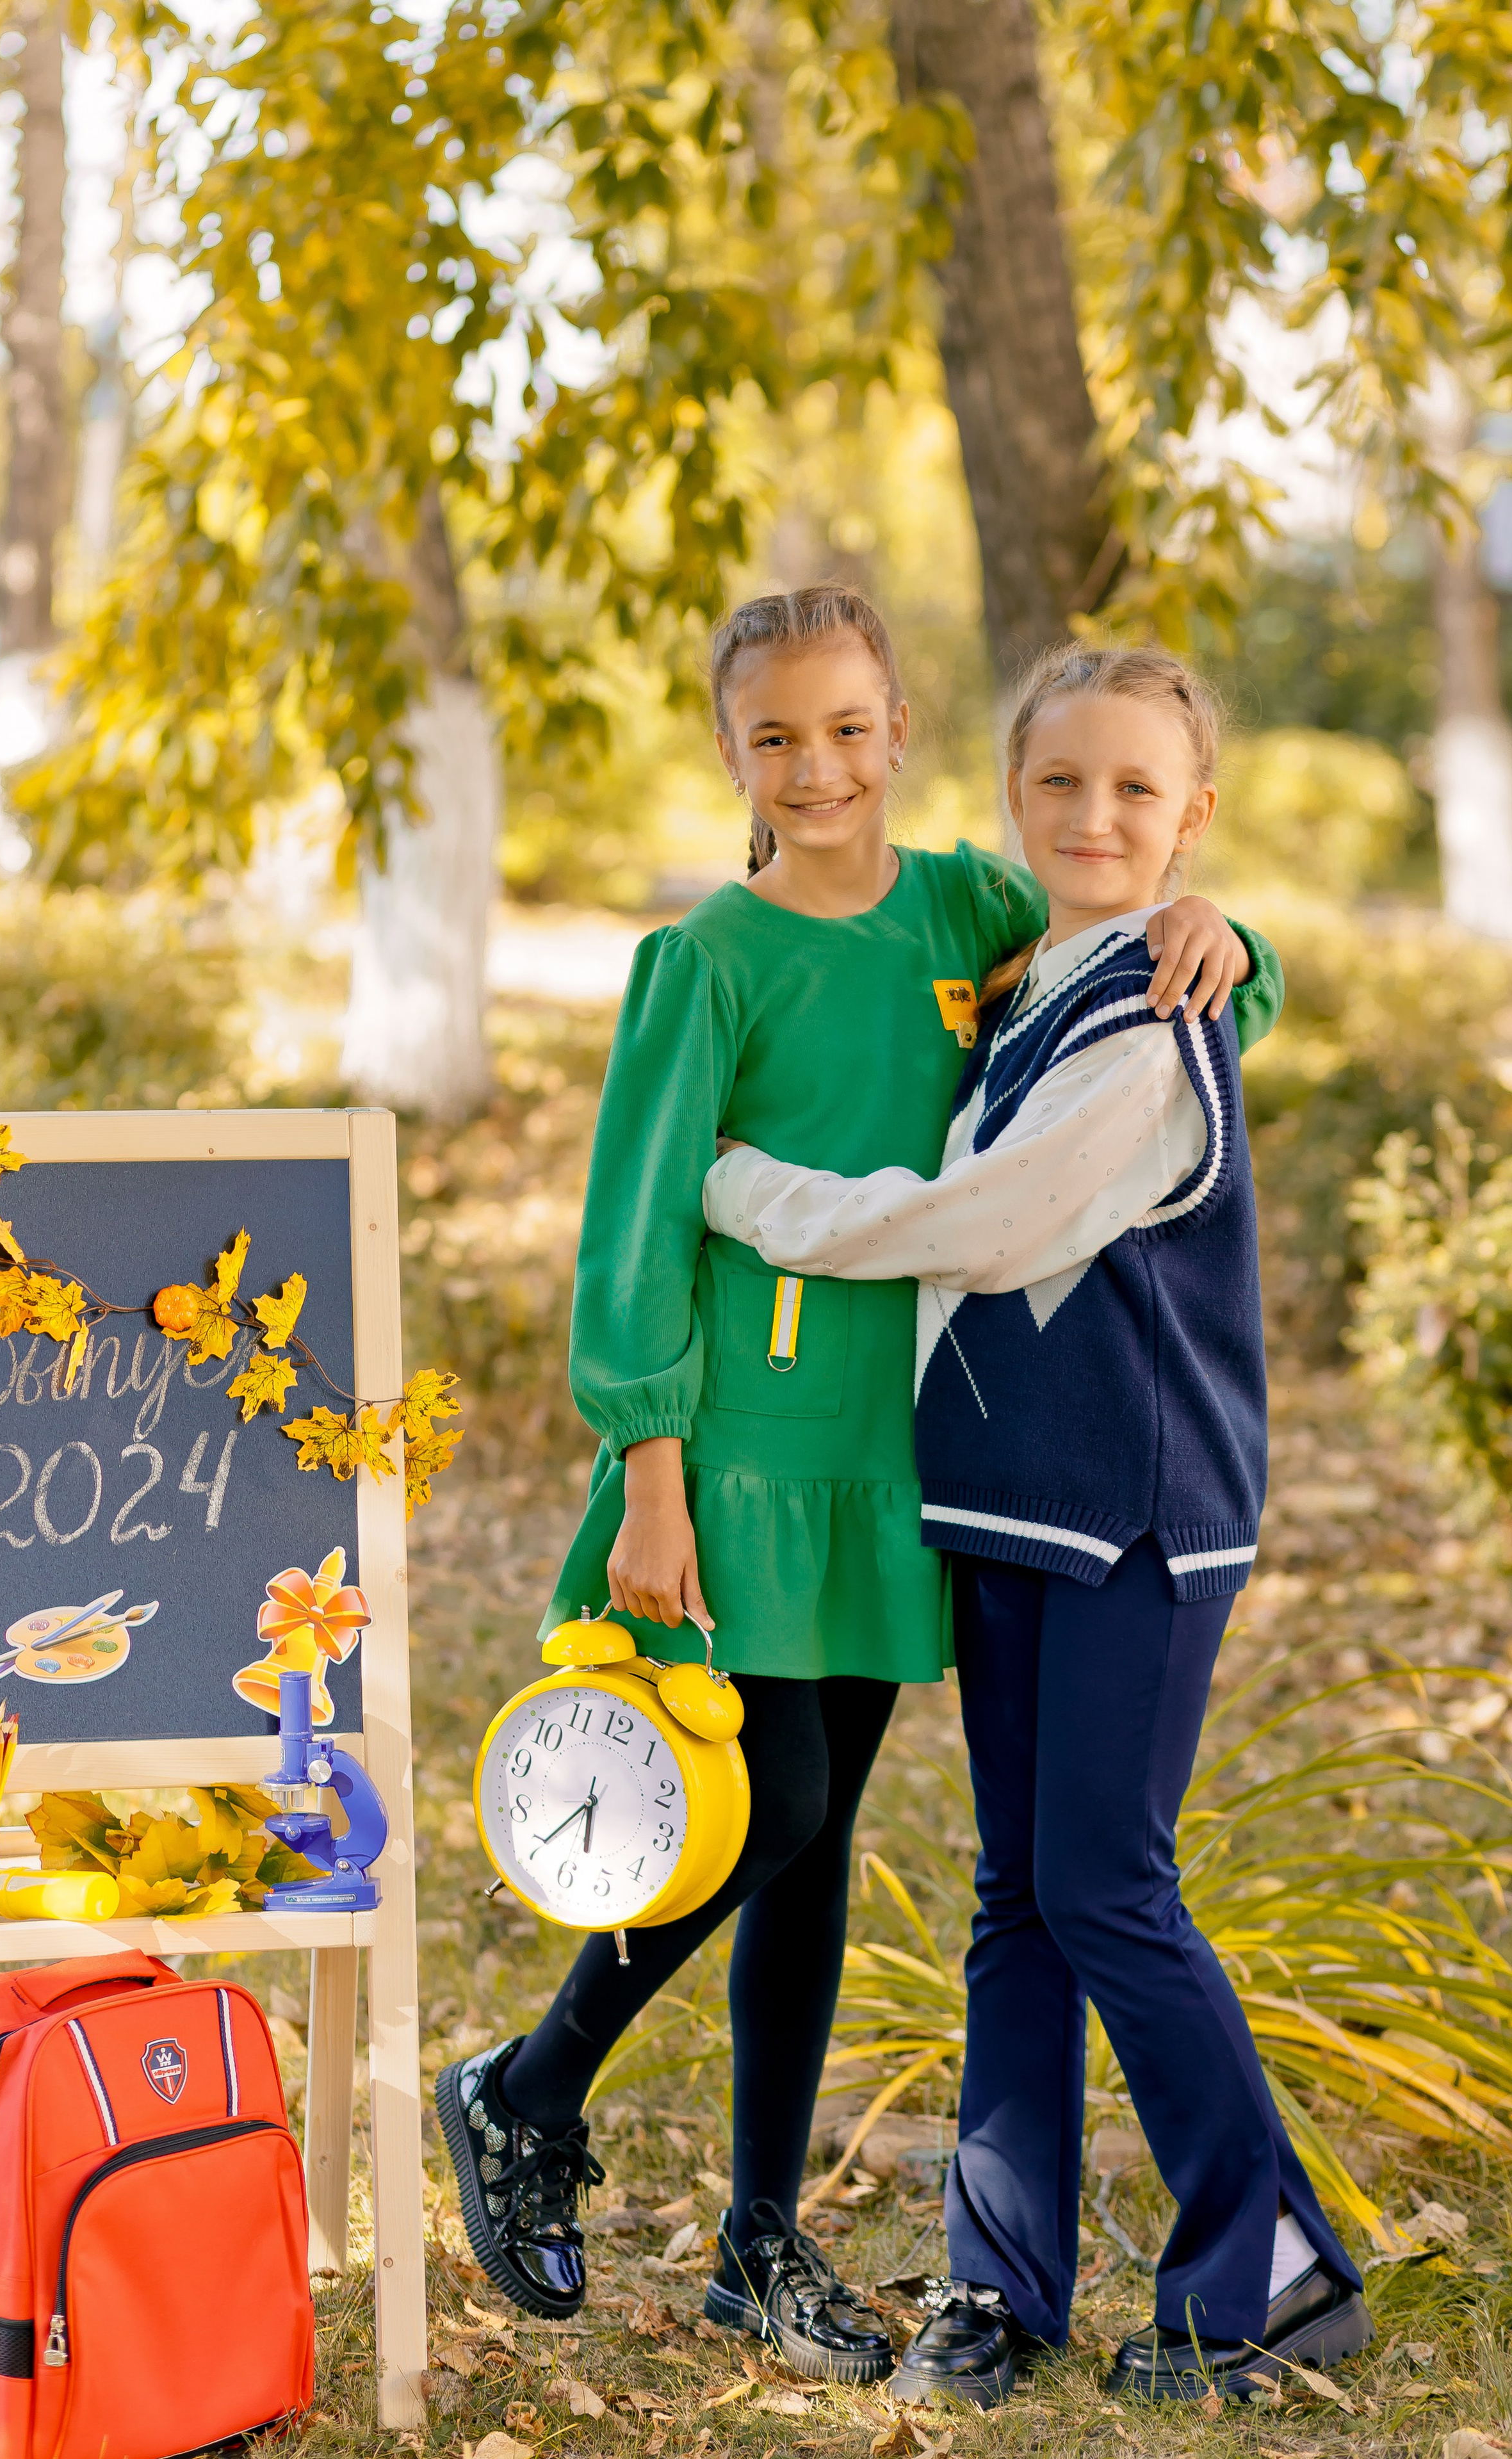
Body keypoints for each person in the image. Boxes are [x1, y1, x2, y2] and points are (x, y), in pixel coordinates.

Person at [438, 594, 1284, 2385]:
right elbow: (632, 1231)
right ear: (732, 752)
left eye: (847, 730)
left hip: (896, 1465)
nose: (815, 768)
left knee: (812, 1855)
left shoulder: (961, 908)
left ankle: (762, 2233)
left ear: (902, 732)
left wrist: (1237, 938)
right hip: (736, 1452)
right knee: (777, 1804)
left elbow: (1140, 955)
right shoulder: (709, 959)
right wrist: (648, 1469)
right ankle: (529, 2085)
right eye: (775, 738)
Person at [701, 642, 1372, 2406]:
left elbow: (991, 1222)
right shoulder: (1030, 983)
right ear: (1012, 797)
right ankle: (1001, 2290)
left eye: (1137, 790)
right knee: (1019, 1899)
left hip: (1142, 1521)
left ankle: (1272, 2269)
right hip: (1008, 1508)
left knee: (1105, 1885)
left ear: (1191, 814)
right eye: (1061, 783)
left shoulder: (1155, 1018)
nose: (1094, 814)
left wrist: (749, 1195)